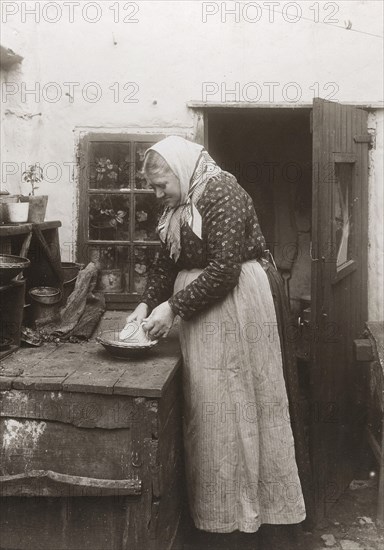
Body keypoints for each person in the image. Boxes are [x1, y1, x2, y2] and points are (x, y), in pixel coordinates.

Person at [125, 136, 306, 542]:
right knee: (213, 412)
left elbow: (224, 270)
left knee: (246, 399)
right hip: (202, 307)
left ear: (182, 169)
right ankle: (223, 517)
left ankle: (262, 518)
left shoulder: (221, 190)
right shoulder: (179, 200)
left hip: (239, 300)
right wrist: (146, 303)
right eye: (152, 187)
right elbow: (164, 259)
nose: (157, 195)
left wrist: (172, 308)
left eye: (160, 185)